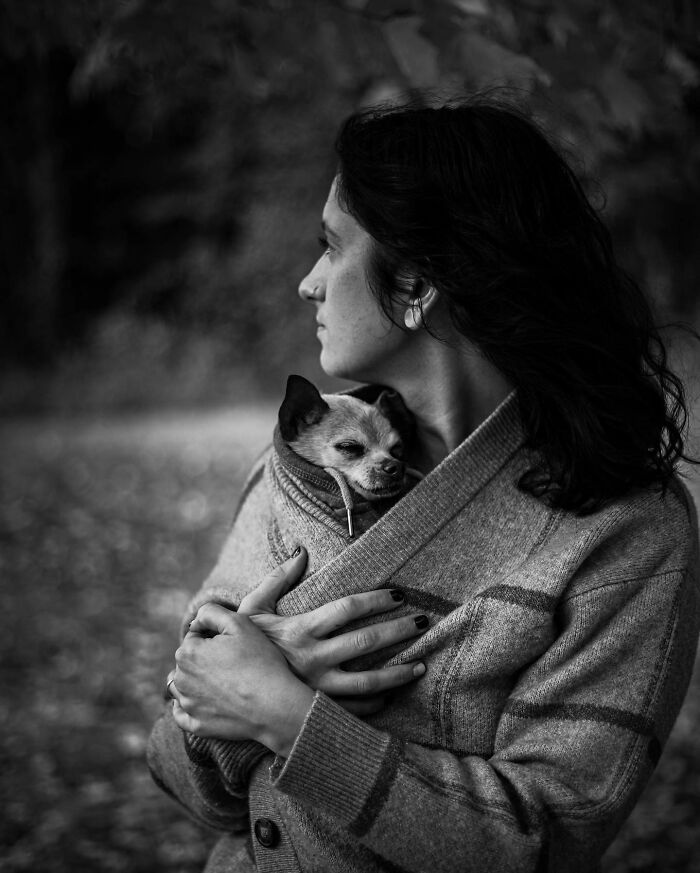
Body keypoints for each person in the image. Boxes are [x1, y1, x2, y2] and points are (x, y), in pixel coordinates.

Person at [147, 99, 700, 873]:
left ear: (412, 281)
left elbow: (543, 845)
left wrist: (286, 709)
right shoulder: (293, 479)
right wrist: (228, 715)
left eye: (331, 249)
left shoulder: (626, 533)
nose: (308, 283)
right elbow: (178, 771)